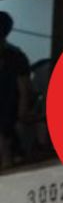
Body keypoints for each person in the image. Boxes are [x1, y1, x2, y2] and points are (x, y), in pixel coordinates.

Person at [0, 13, 27, 169]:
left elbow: (23, 89)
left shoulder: (14, 56)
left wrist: (21, 113)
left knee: (5, 141)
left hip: (7, 108)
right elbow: (24, 88)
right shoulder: (16, 55)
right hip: (9, 108)